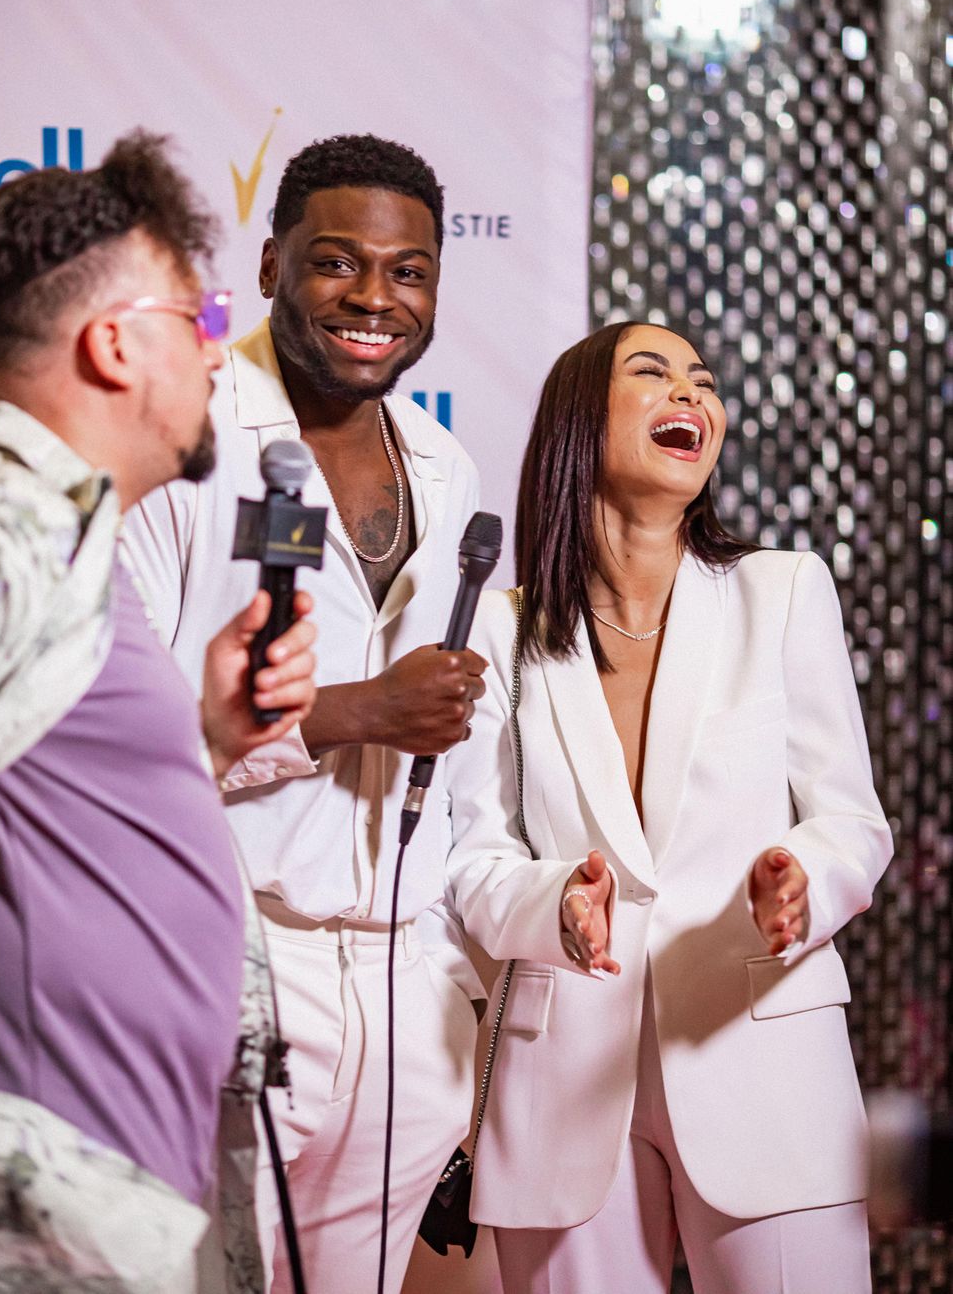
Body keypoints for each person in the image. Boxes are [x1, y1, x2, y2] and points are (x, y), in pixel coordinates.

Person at [446, 320, 894, 1294]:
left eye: (701, 379)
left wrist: (801, 881)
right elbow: (473, 859)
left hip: (764, 1065)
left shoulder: (781, 591)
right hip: (559, 1088)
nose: (690, 394)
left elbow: (849, 822)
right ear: (577, 422)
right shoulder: (500, 627)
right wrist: (554, 900)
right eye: (651, 375)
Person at [123, 133, 487, 1294]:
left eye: (410, 271)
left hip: (403, 982)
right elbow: (114, 743)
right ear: (272, 261)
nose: (375, 298)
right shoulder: (182, 434)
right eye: (338, 263)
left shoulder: (444, 466)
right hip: (232, 959)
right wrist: (353, 710)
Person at [0, 133, 316, 1292]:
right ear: (113, 344)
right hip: (37, 1214)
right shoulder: (9, 520)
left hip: (112, 1206)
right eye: (197, 320)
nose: (220, 355)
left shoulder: (72, 540)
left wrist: (204, 741)